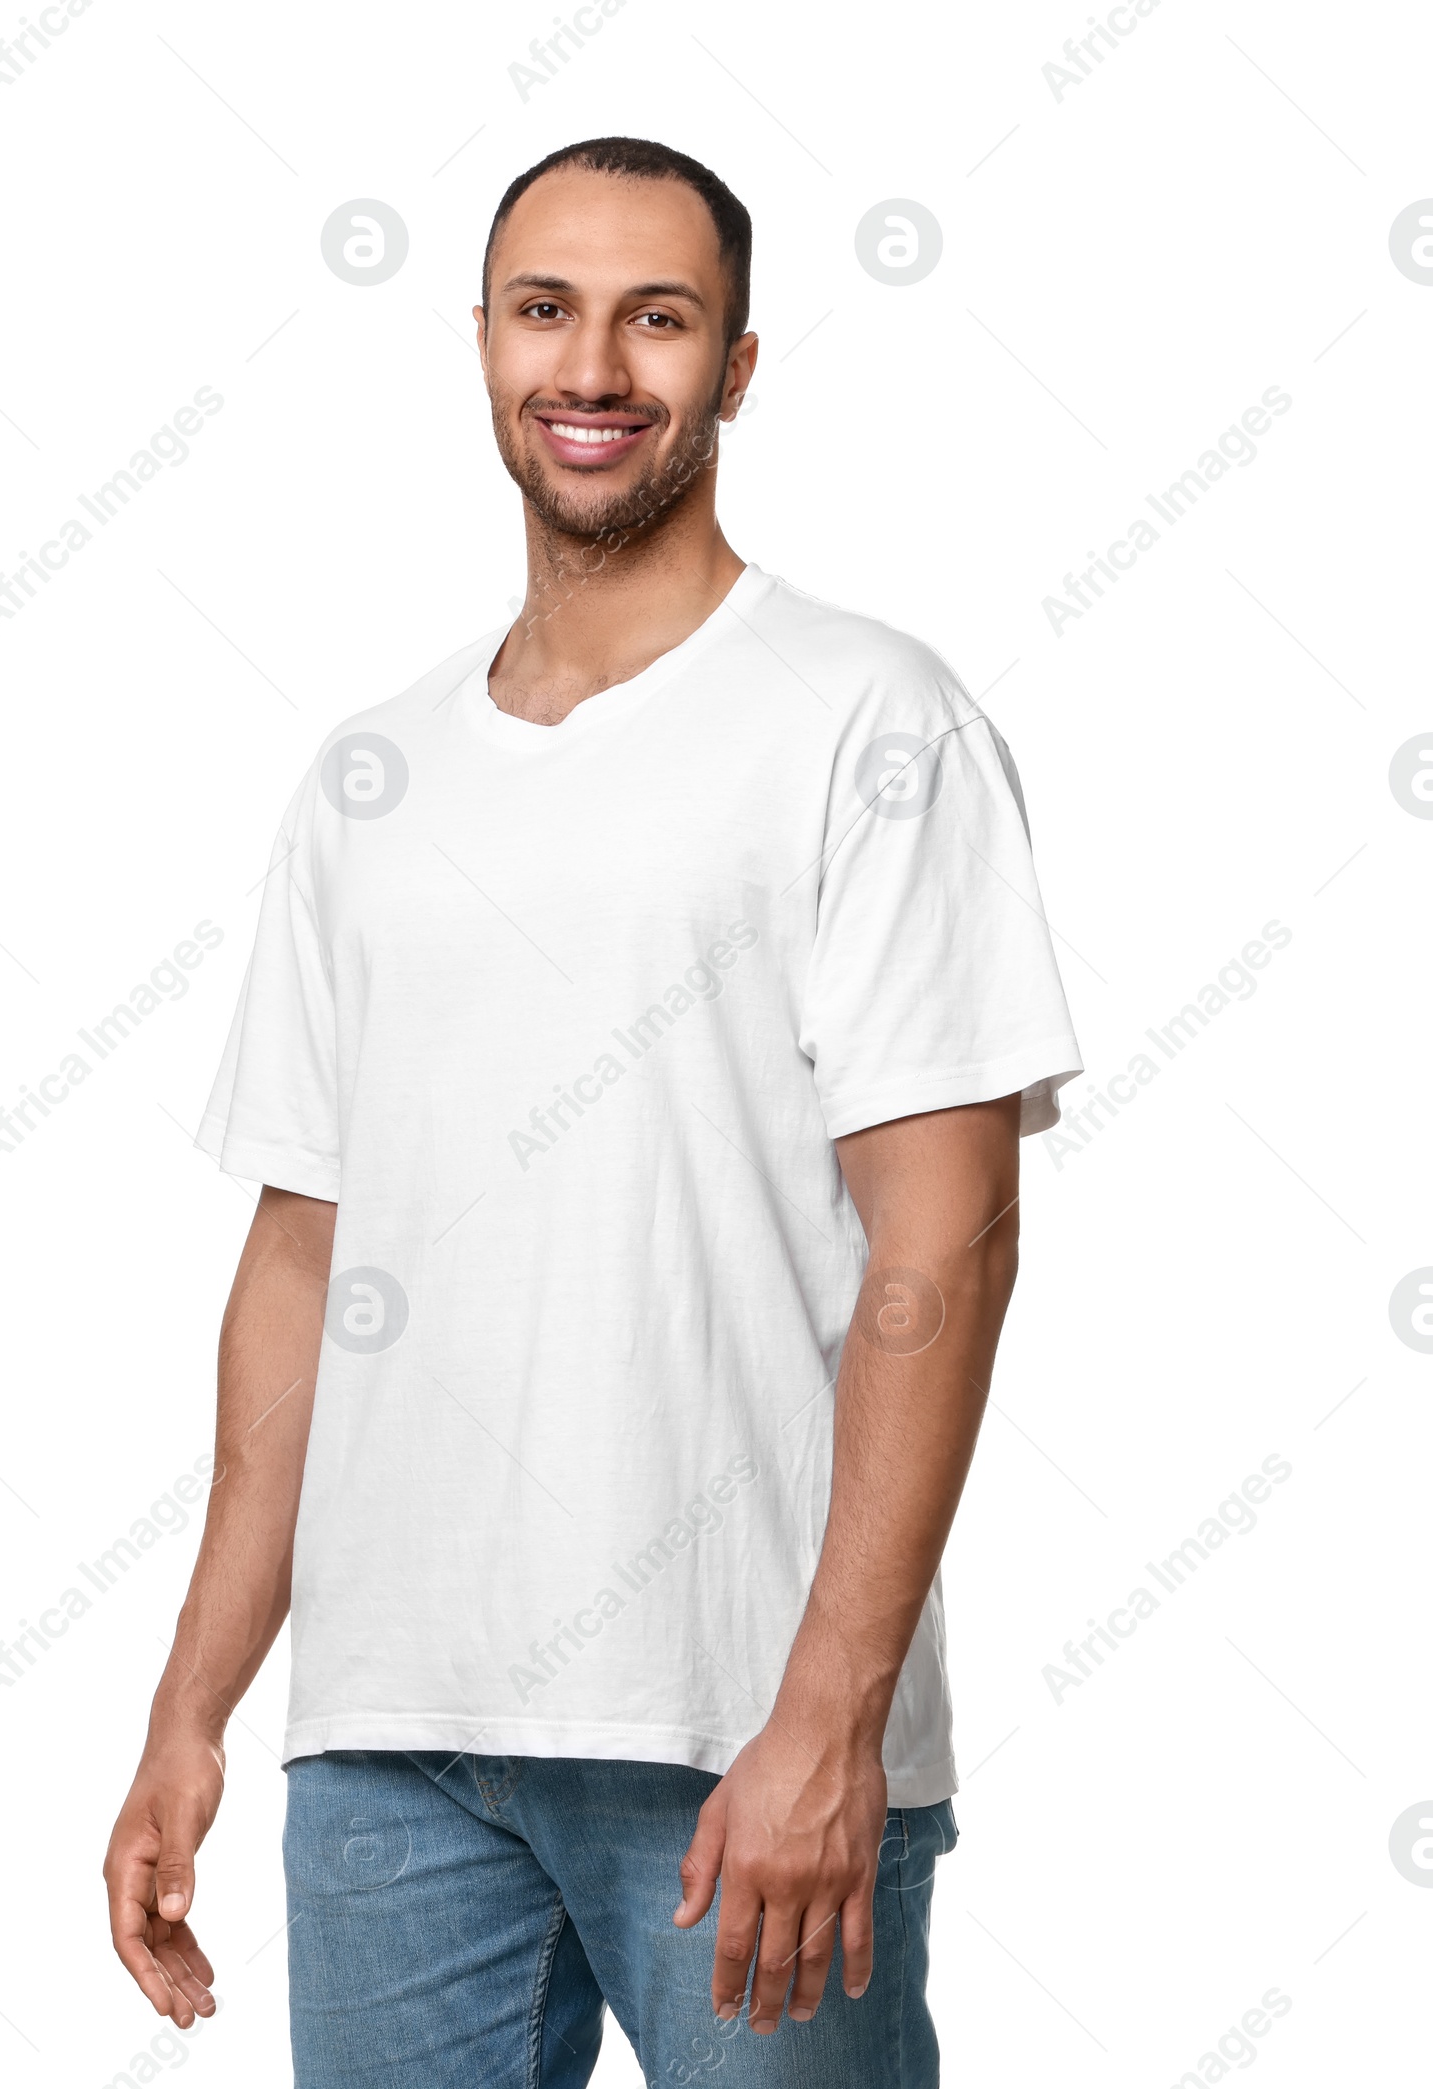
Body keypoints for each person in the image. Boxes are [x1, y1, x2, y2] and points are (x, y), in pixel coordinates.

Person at [104, 134, 1082, 2087]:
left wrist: (829, 1716)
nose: (592, 365)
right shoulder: (366, 777)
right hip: (388, 1745)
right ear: (480, 341)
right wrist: (193, 1703)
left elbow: (944, 1233)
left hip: (732, 1734)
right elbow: (303, 1261)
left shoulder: (865, 721)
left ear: (732, 367)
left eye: (657, 317)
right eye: (546, 308)